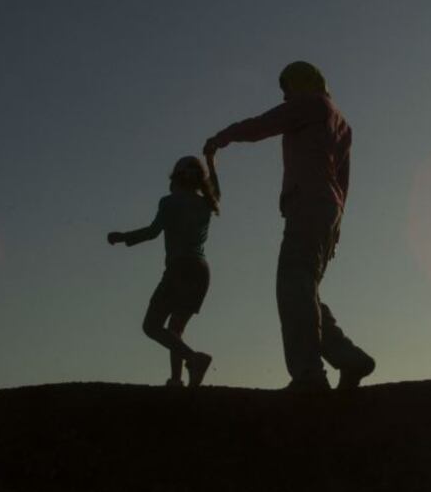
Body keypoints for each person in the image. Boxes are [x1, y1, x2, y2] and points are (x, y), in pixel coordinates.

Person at [202, 61, 375, 393]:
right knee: (304, 287)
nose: (284, 96)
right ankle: (348, 357)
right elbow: (344, 179)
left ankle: (309, 374)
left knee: (293, 285)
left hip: (308, 202)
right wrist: (336, 227)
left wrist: (222, 138)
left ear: (302, 83)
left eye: (287, 88)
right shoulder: (341, 121)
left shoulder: (311, 104)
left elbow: (264, 124)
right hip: (326, 208)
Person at [108, 155, 220, 389]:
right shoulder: (206, 204)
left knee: (151, 326)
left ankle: (194, 359)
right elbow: (215, 190)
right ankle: (177, 380)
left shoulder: (169, 202)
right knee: (175, 330)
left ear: (176, 179)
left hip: (179, 269)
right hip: (201, 272)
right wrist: (211, 163)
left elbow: (152, 232)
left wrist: (122, 237)